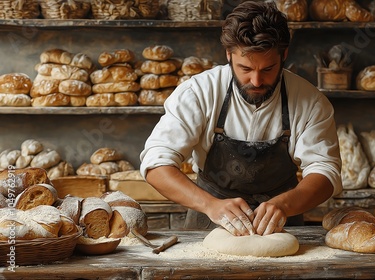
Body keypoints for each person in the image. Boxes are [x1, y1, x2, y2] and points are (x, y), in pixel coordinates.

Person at [140, 1, 342, 236]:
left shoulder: (310, 101)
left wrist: (284, 205)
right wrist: (210, 205)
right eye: (245, 68)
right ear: (228, 54)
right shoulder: (199, 92)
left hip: (281, 221)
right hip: (210, 220)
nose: (256, 81)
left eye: (267, 69)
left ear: (284, 55)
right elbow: (156, 164)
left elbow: (325, 171)